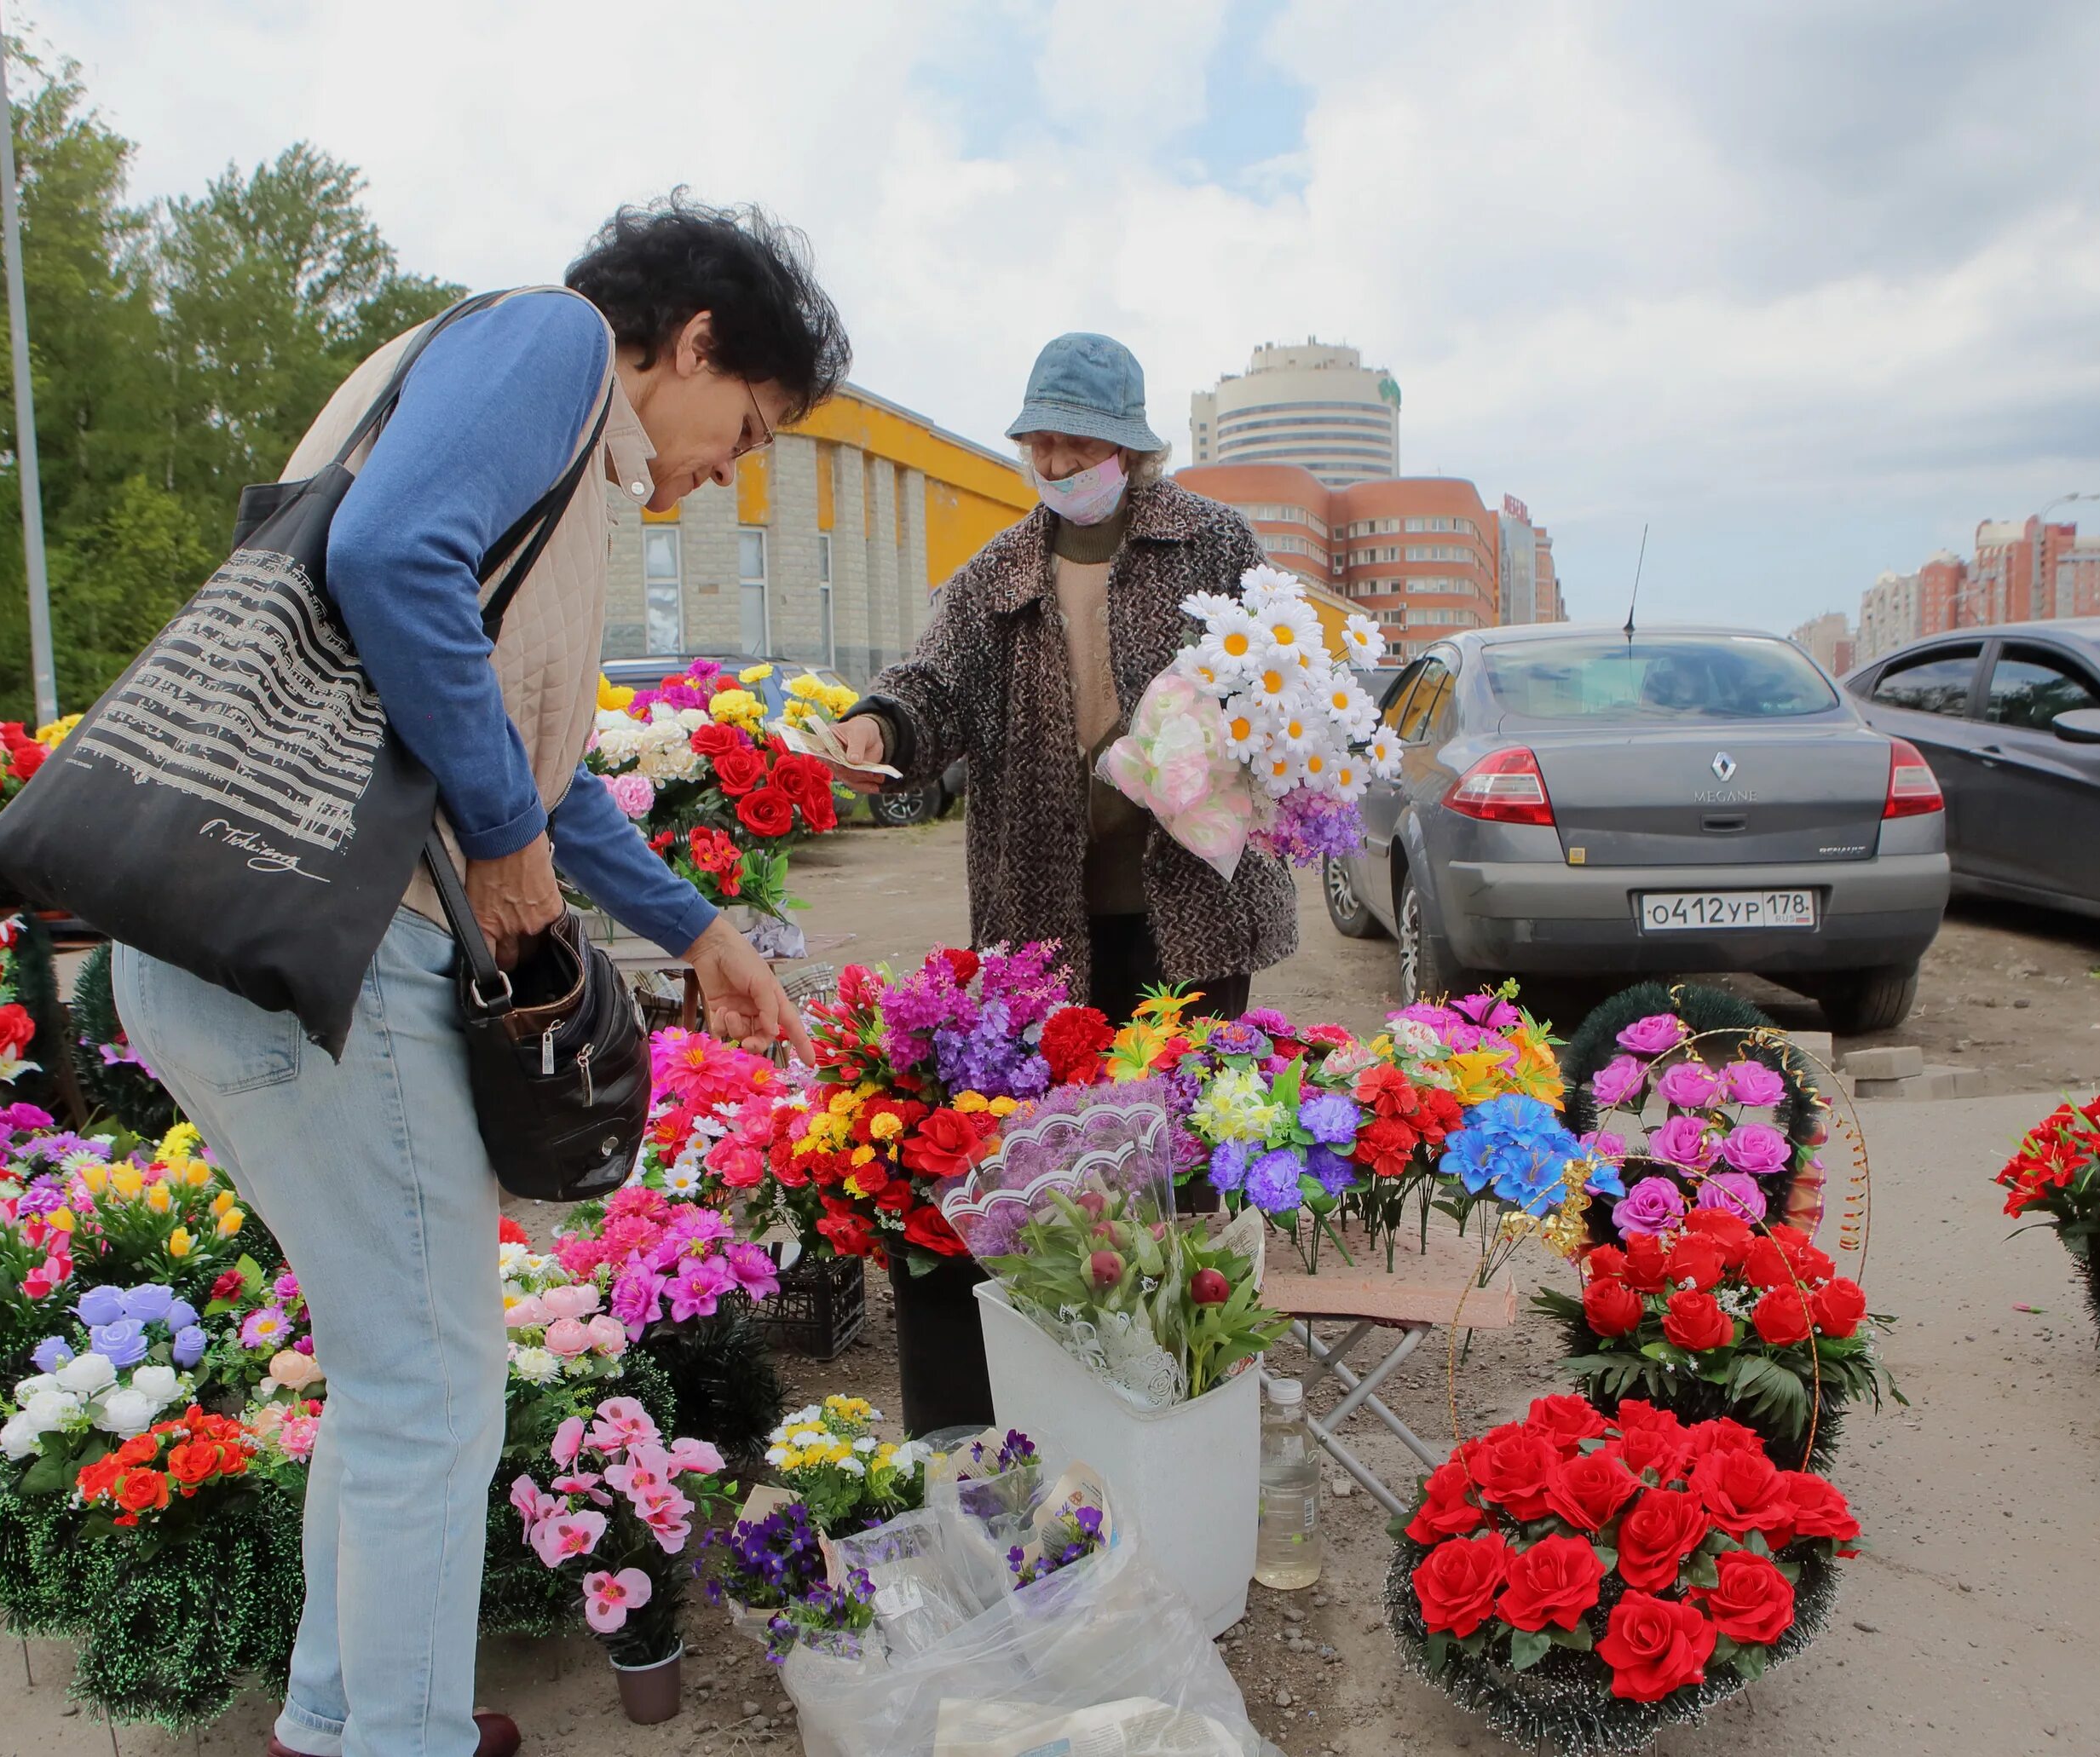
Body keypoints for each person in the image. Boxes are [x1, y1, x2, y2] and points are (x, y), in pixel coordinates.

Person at [113, 193, 845, 1757]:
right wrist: (504, 834)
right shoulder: (554, 341)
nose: (730, 467)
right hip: (333, 949)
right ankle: (400, 1737)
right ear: (696, 340)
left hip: (240, 946)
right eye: (751, 420)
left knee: (394, 1382)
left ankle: (341, 1716)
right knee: (436, 1388)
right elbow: (390, 557)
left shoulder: (555, 472)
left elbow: (547, 776)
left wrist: (701, 931)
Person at [832, 332, 1298, 1023]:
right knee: (1064, 1116)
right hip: (1043, 901)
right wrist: (882, 725)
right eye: (1041, 444)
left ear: (1130, 451)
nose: (1055, 464)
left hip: (1196, 892)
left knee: (1193, 1109)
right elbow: (936, 682)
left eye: (1076, 444)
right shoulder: (1000, 569)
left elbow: (1278, 677)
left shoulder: (1212, 542)